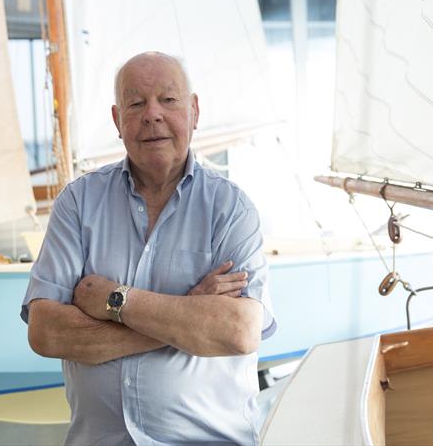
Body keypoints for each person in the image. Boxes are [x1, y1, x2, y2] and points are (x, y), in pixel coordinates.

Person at [21, 51, 276, 445]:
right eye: (136, 103)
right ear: (117, 120)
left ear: (193, 111)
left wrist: (113, 300)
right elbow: (46, 333)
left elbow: (239, 332)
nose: (152, 114)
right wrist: (188, 313)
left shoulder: (230, 208)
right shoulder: (77, 203)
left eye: (168, 100)